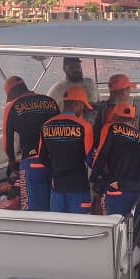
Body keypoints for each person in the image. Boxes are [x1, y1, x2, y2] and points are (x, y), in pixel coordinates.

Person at [90, 101, 140, 279]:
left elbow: (100, 156)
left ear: (115, 117)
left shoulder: (111, 128)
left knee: (115, 233)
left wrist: (94, 180)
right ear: (133, 120)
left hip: (119, 190)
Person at [1, 76, 59, 210]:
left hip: (32, 164)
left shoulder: (12, 106)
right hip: (56, 162)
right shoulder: (50, 101)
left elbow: (7, 143)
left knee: (32, 211)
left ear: (11, 93)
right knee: (56, 208)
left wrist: (12, 161)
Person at [39, 86, 94, 214]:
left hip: (57, 188)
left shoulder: (46, 125)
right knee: (79, 223)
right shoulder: (84, 127)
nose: (83, 110)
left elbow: (42, 157)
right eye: (83, 106)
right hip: (78, 187)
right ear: (76, 104)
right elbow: (90, 160)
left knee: (57, 224)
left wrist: (56, 169)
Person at [93, 73, 136, 144]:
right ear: (123, 92)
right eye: (129, 88)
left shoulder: (98, 107)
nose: (130, 91)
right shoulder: (127, 112)